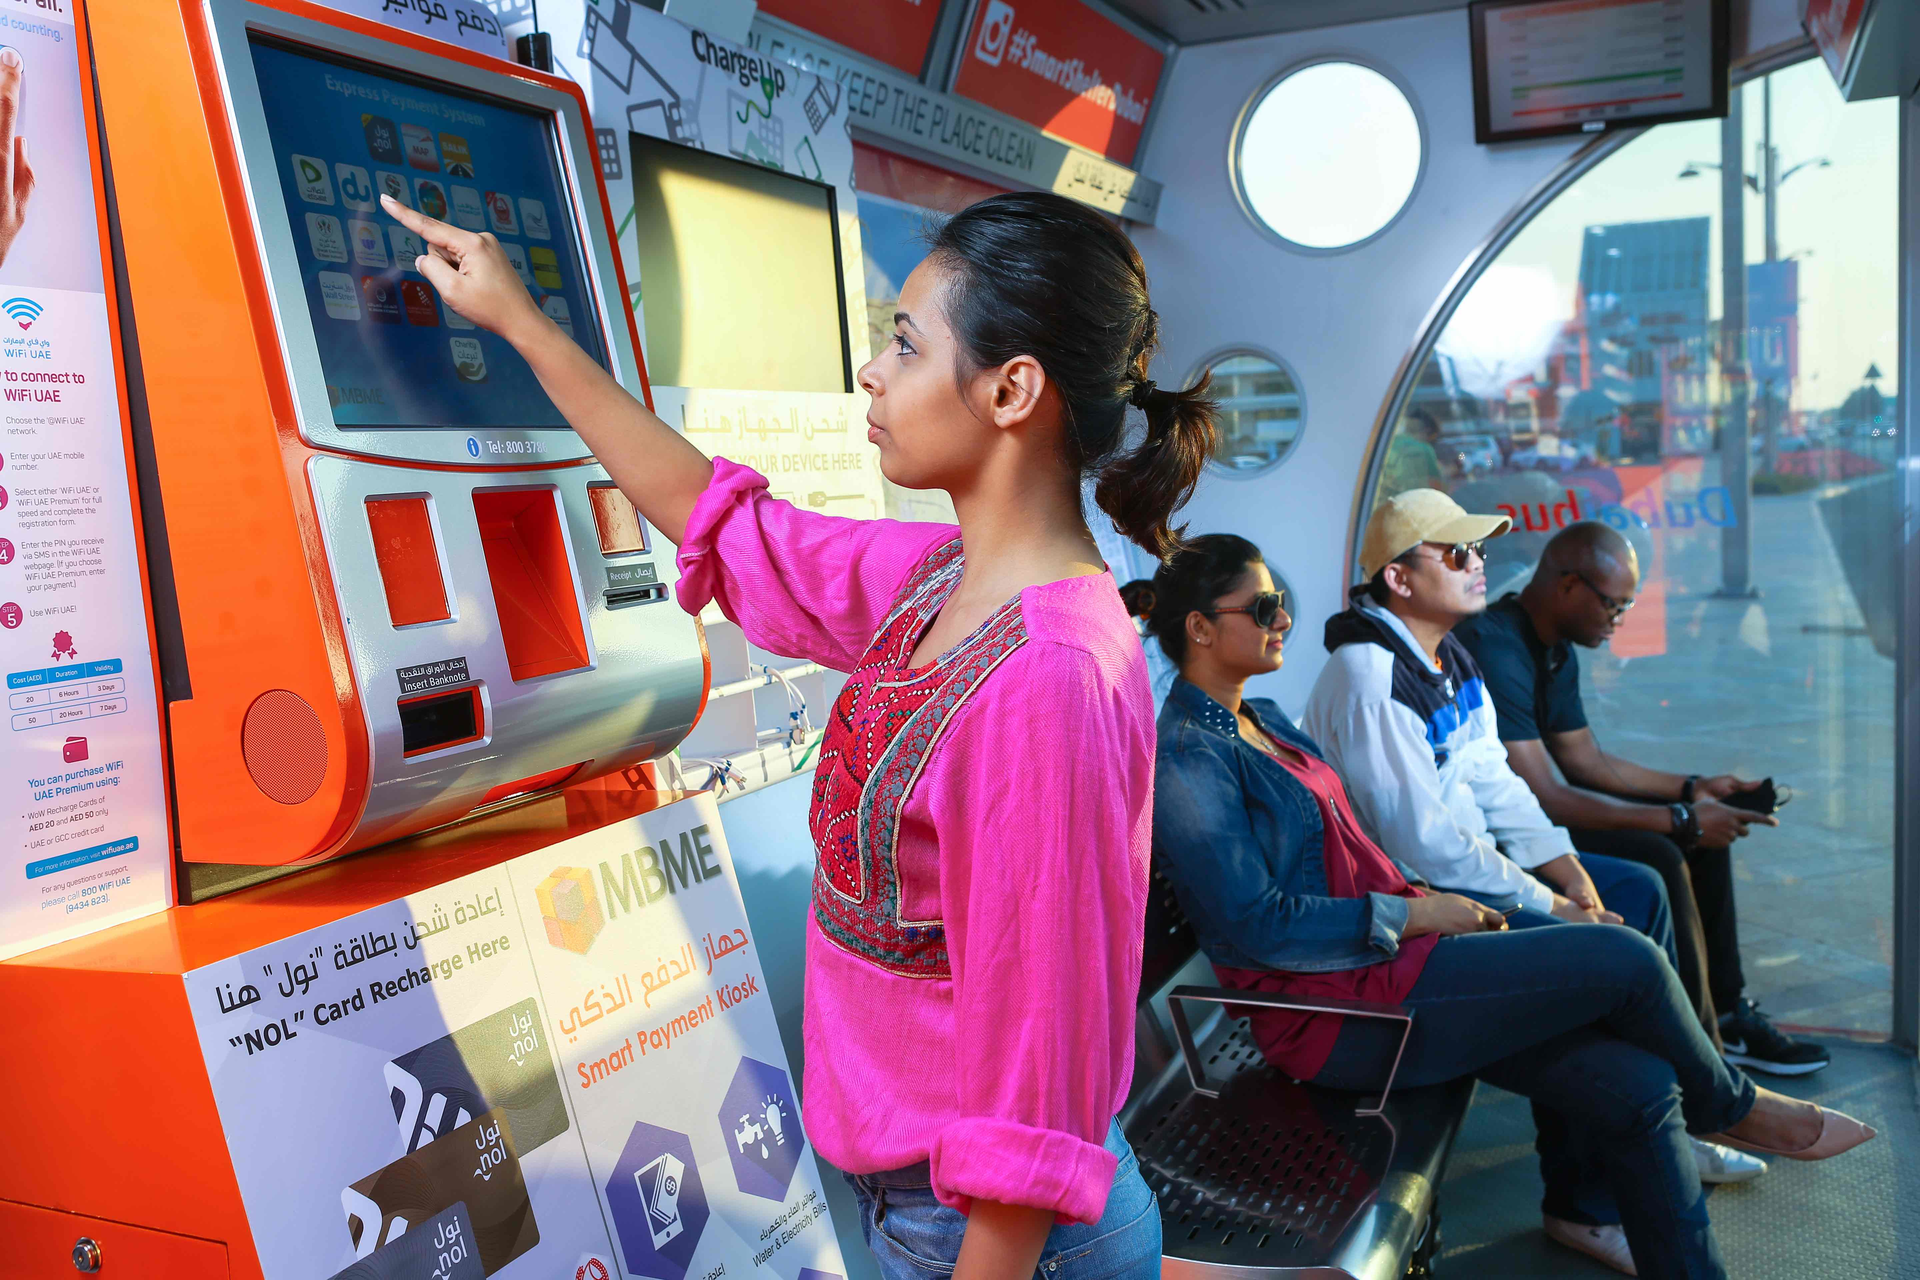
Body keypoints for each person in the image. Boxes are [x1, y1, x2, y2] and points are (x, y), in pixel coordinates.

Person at [382, 188, 1214, 1279]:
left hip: (999, 1243)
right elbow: (726, 520)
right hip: (933, 1217)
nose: (875, 370)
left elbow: (1039, 1069)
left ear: (1012, 389)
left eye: (907, 346)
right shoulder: (940, 584)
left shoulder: (1046, 677)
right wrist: (524, 323)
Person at [1139, 534, 1874, 1280]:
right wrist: (1418, 916)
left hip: (1387, 967)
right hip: (1338, 1016)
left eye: (1283, 602)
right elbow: (1256, 926)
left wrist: (1426, 904)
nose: (1284, 618)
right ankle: (1729, 1104)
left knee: (1640, 1088)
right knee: (1627, 960)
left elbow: (1359, 841)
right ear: (1199, 627)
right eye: (1263, 606)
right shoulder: (1191, 760)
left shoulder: (1262, 716)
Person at [1453, 521, 1828, 1077]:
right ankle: (1701, 1059)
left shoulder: (1553, 649)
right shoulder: (1495, 646)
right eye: (1613, 605)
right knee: (1666, 853)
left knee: (1696, 840)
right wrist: (1681, 819)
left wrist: (1693, 789)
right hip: (1496, 833)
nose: (1619, 621)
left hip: (1530, 819)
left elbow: (1584, 761)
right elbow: (1547, 797)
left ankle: (1723, 1016)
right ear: (1570, 585)